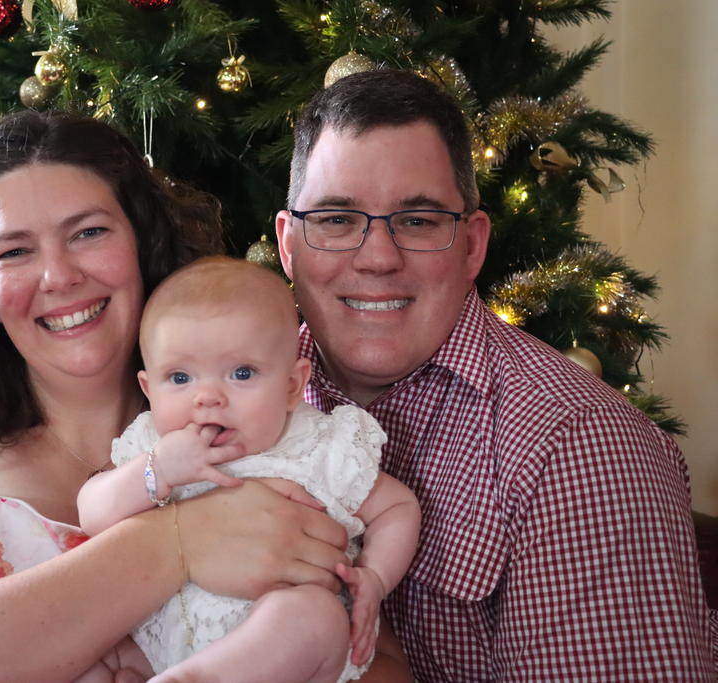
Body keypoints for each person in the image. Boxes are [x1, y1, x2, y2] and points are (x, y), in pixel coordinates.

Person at [0, 110, 360, 682]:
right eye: (14, 251)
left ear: (141, 242)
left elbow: (361, 643)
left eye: (88, 233)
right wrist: (175, 544)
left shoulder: (254, 427)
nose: (58, 276)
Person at [274, 68, 718, 680]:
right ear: (288, 243)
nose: (377, 258)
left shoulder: (586, 453)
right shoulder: (217, 401)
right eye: (335, 220)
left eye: (419, 221)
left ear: (473, 246)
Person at [78, 256, 420, 682]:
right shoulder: (154, 445)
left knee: (313, 617)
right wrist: (156, 470)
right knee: (90, 655)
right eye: (180, 378)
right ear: (149, 389)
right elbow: (90, 510)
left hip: (285, 654)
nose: (207, 397)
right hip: (159, 645)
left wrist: (375, 576)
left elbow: (397, 508)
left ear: (293, 386)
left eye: (241, 373)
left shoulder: (318, 446)